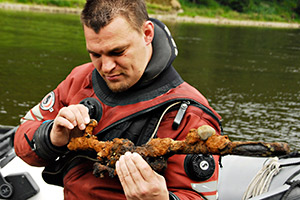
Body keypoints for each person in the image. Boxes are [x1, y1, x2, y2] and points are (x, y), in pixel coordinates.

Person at [14, 0, 223, 199]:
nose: (106, 68)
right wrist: (52, 136)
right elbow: (22, 139)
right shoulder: (80, 79)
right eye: (95, 54)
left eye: (118, 52)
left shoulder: (189, 113)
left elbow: (199, 196)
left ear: (147, 33)